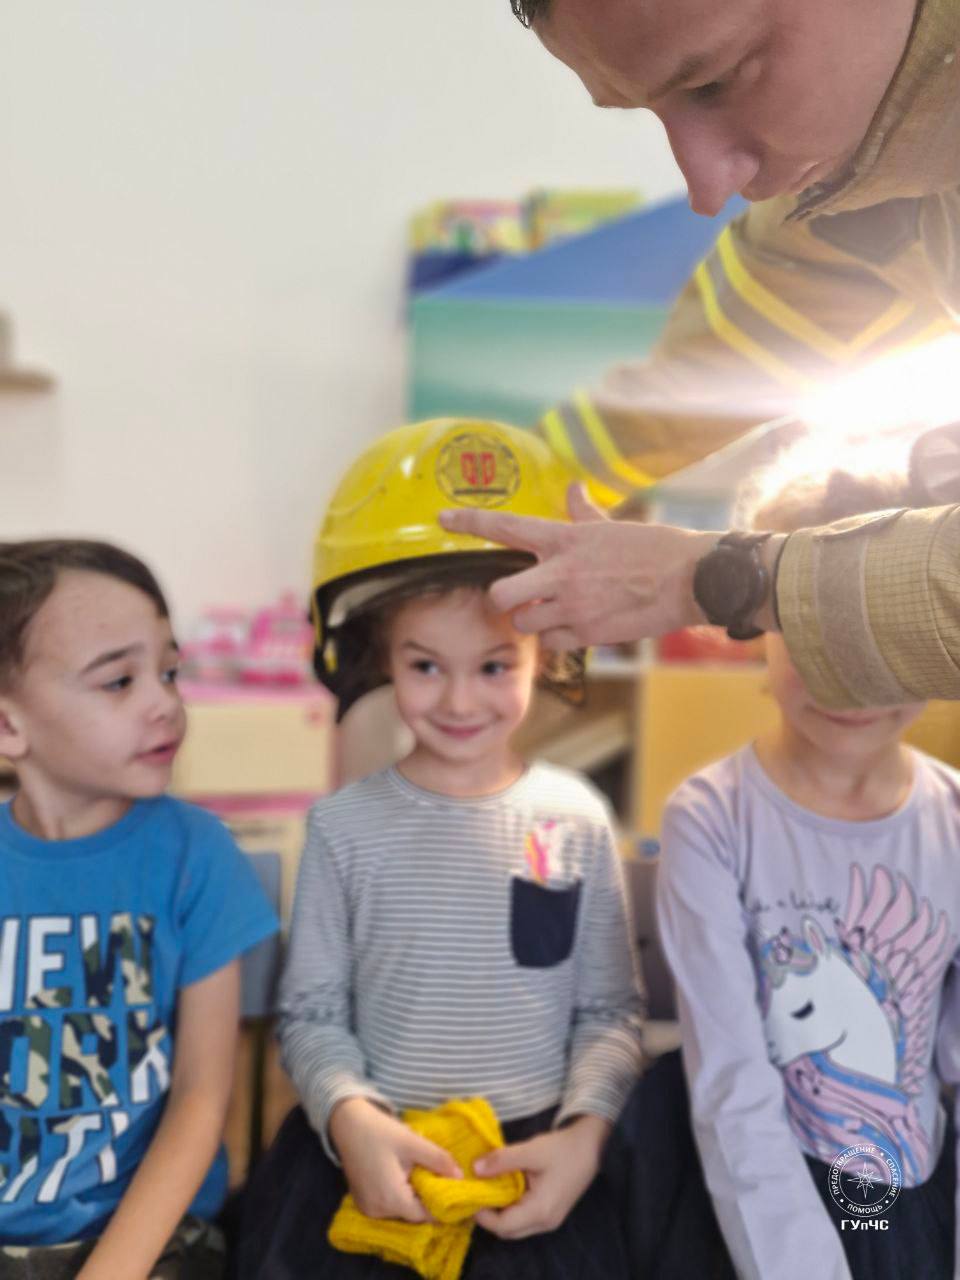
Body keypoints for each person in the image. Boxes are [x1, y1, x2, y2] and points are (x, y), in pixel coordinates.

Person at [439, 0, 960, 707]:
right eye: (652, 110)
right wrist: (490, 521)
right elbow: (707, 371)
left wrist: (717, 578)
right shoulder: (861, 182)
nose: (708, 185)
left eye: (715, 82)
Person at [236, 419, 645, 1279]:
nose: (460, 699)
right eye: (427, 666)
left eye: (495, 666)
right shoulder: (344, 827)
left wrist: (586, 1133)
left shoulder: (574, 817)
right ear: (382, 657)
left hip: (536, 1177)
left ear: (547, 652)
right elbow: (311, 1016)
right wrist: (349, 1119)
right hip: (365, 1161)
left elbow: (608, 1015)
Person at [619, 452, 960, 1280]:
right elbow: (734, 1089)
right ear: (754, 631)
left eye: (882, 641)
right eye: (817, 633)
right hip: (750, 1195)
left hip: (899, 1190)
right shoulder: (712, 817)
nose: (851, 677)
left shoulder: (951, 819)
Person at [0, 540, 278, 1279]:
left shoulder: (196, 855)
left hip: (150, 1248)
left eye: (169, 671)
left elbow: (199, 1097)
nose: (165, 702)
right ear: (7, 728)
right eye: (119, 681)